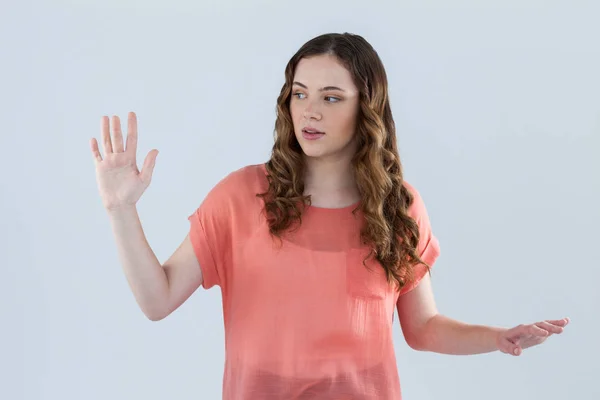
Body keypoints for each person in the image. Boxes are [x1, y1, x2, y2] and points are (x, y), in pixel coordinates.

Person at [90, 32, 570, 399]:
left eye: (331, 97)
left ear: (368, 108)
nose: (309, 111)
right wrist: (120, 209)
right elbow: (158, 299)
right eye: (300, 94)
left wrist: (498, 337)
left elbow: (423, 328)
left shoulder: (398, 208)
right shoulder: (240, 197)